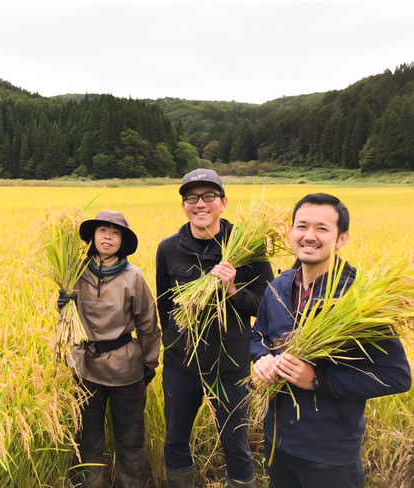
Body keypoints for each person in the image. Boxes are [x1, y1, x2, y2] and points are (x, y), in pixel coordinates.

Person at [250, 193, 412, 488]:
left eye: (322, 228)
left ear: (341, 239)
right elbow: (258, 335)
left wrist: (318, 380)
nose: (309, 236)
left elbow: (396, 376)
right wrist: (261, 358)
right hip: (278, 444)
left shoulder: (360, 301)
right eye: (302, 226)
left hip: (329, 455)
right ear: (291, 232)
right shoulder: (276, 288)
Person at [156, 168, 274, 488]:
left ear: (223, 202)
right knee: (176, 440)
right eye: (192, 198)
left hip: (230, 366)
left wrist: (233, 289)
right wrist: (173, 344)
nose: (200, 204)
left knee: (236, 445)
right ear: (184, 206)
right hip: (181, 365)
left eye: (209, 196)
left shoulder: (248, 247)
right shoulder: (168, 249)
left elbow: (268, 308)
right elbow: (164, 305)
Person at [61, 210, 160, 488]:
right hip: (86, 368)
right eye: (103, 230)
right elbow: (65, 321)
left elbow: (148, 323)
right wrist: (61, 304)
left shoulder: (133, 277)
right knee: (88, 438)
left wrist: (149, 365)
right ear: (93, 236)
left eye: (115, 232)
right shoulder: (74, 274)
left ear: (122, 241)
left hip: (126, 369)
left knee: (130, 439)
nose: (108, 236)